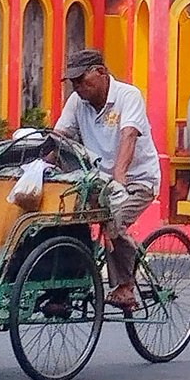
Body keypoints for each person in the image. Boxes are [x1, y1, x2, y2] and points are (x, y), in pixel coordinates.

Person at [55, 49, 160, 310]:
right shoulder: (77, 102)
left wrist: (119, 178)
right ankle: (65, 288)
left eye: (81, 80)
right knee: (63, 220)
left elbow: (129, 137)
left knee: (114, 221)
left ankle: (125, 287)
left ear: (101, 72)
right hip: (96, 183)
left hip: (136, 181)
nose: (77, 87)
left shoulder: (128, 96)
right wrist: (35, 166)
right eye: (73, 82)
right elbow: (58, 138)